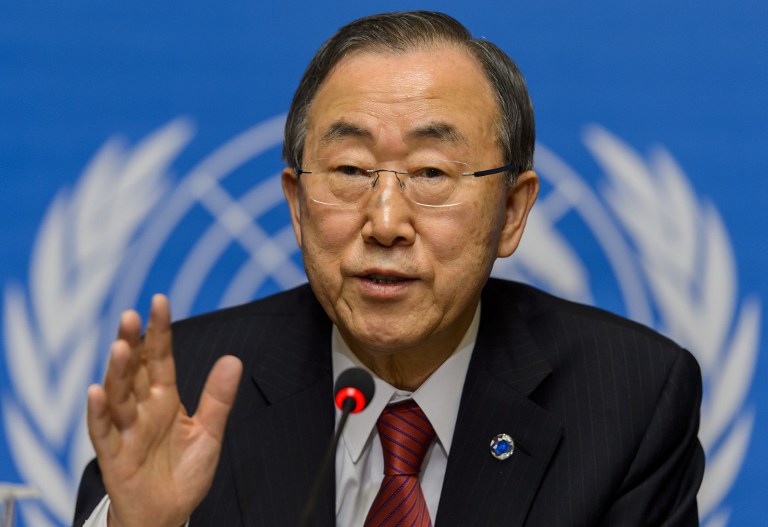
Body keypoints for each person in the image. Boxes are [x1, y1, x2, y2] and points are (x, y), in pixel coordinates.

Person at [73, 10, 704, 527]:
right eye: (349, 171)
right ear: (296, 207)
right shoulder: (184, 387)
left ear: (512, 212)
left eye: (431, 173)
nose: (384, 222)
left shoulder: (628, 400)